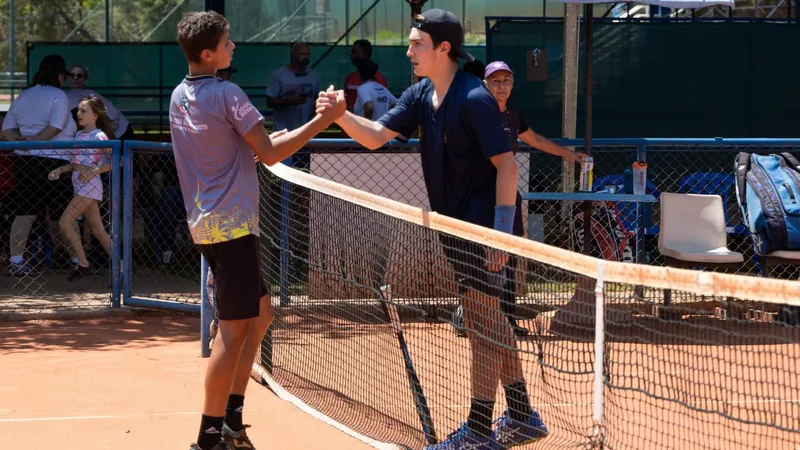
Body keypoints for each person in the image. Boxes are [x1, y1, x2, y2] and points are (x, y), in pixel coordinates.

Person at [316, 9, 548, 450]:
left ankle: (480, 430)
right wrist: (340, 115)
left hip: (485, 227)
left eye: (416, 43)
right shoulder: (423, 93)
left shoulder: (475, 99)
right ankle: (522, 415)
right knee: (490, 318)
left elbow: (507, 168)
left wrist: (499, 235)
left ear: (444, 48)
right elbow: (376, 135)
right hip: (454, 225)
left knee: (481, 321)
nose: (408, 51)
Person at [171, 11, 344, 450]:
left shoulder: (180, 95)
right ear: (208, 53)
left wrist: (256, 146)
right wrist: (323, 121)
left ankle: (231, 418)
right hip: (232, 227)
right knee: (231, 335)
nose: (234, 48)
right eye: (227, 43)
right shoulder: (229, 93)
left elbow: (222, 152)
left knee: (260, 315)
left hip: (210, 225)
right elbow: (268, 154)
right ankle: (209, 438)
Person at [463, 61, 588, 338]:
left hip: (507, 197)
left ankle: (507, 319)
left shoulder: (513, 117)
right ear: (485, 84)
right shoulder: (473, 114)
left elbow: (536, 140)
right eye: (495, 81)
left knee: (509, 257)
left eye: (506, 80)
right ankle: (467, 314)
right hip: (478, 197)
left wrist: (569, 154)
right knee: (477, 256)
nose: (501, 86)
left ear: (513, 84)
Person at [2, 54, 77, 276]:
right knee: (65, 213)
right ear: (61, 75)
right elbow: (55, 127)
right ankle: (77, 259)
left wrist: (22, 143)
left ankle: (16, 260)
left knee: (25, 211)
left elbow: (7, 128)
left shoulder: (23, 96)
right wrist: (35, 142)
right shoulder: (58, 95)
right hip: (55, 161)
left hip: (24, 161)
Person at [47, 96, 114, 281]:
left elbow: (115, 160)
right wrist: (61, 169)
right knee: (98, 230)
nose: (79, 114)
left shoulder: (99, 136)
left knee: (65, 222)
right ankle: (120, 267)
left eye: (84, 111)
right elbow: (76, 164)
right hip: (79, 186)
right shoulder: (78, 135)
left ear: (95, 115)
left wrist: (95, 171)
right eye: (78, 110)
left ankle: (83, 264)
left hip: (90, 187)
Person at [64, 64, 135, 141]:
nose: (75, 78)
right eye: (72, 75)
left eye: (79, 76)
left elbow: (112, 117)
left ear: (85, 79)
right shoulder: (65, 95)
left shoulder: (92, 95)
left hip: (122, 133)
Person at [266, 42, 320, 133]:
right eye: (302, 54)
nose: (306, 57)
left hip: (306, 132)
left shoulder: (314, 76)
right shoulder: (279, 75)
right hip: (283, 132)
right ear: (293, 55)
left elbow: (318, 99)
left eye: (308, 54)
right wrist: (288, 101)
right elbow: (269, 102)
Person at [344, 39, 388, 112]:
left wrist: (367, 120)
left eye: (354, 52)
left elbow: (386, 103)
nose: (351, 55)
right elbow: (346, 104)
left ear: (365, 54)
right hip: (351, 121)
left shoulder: (380, 79)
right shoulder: (350, 78)